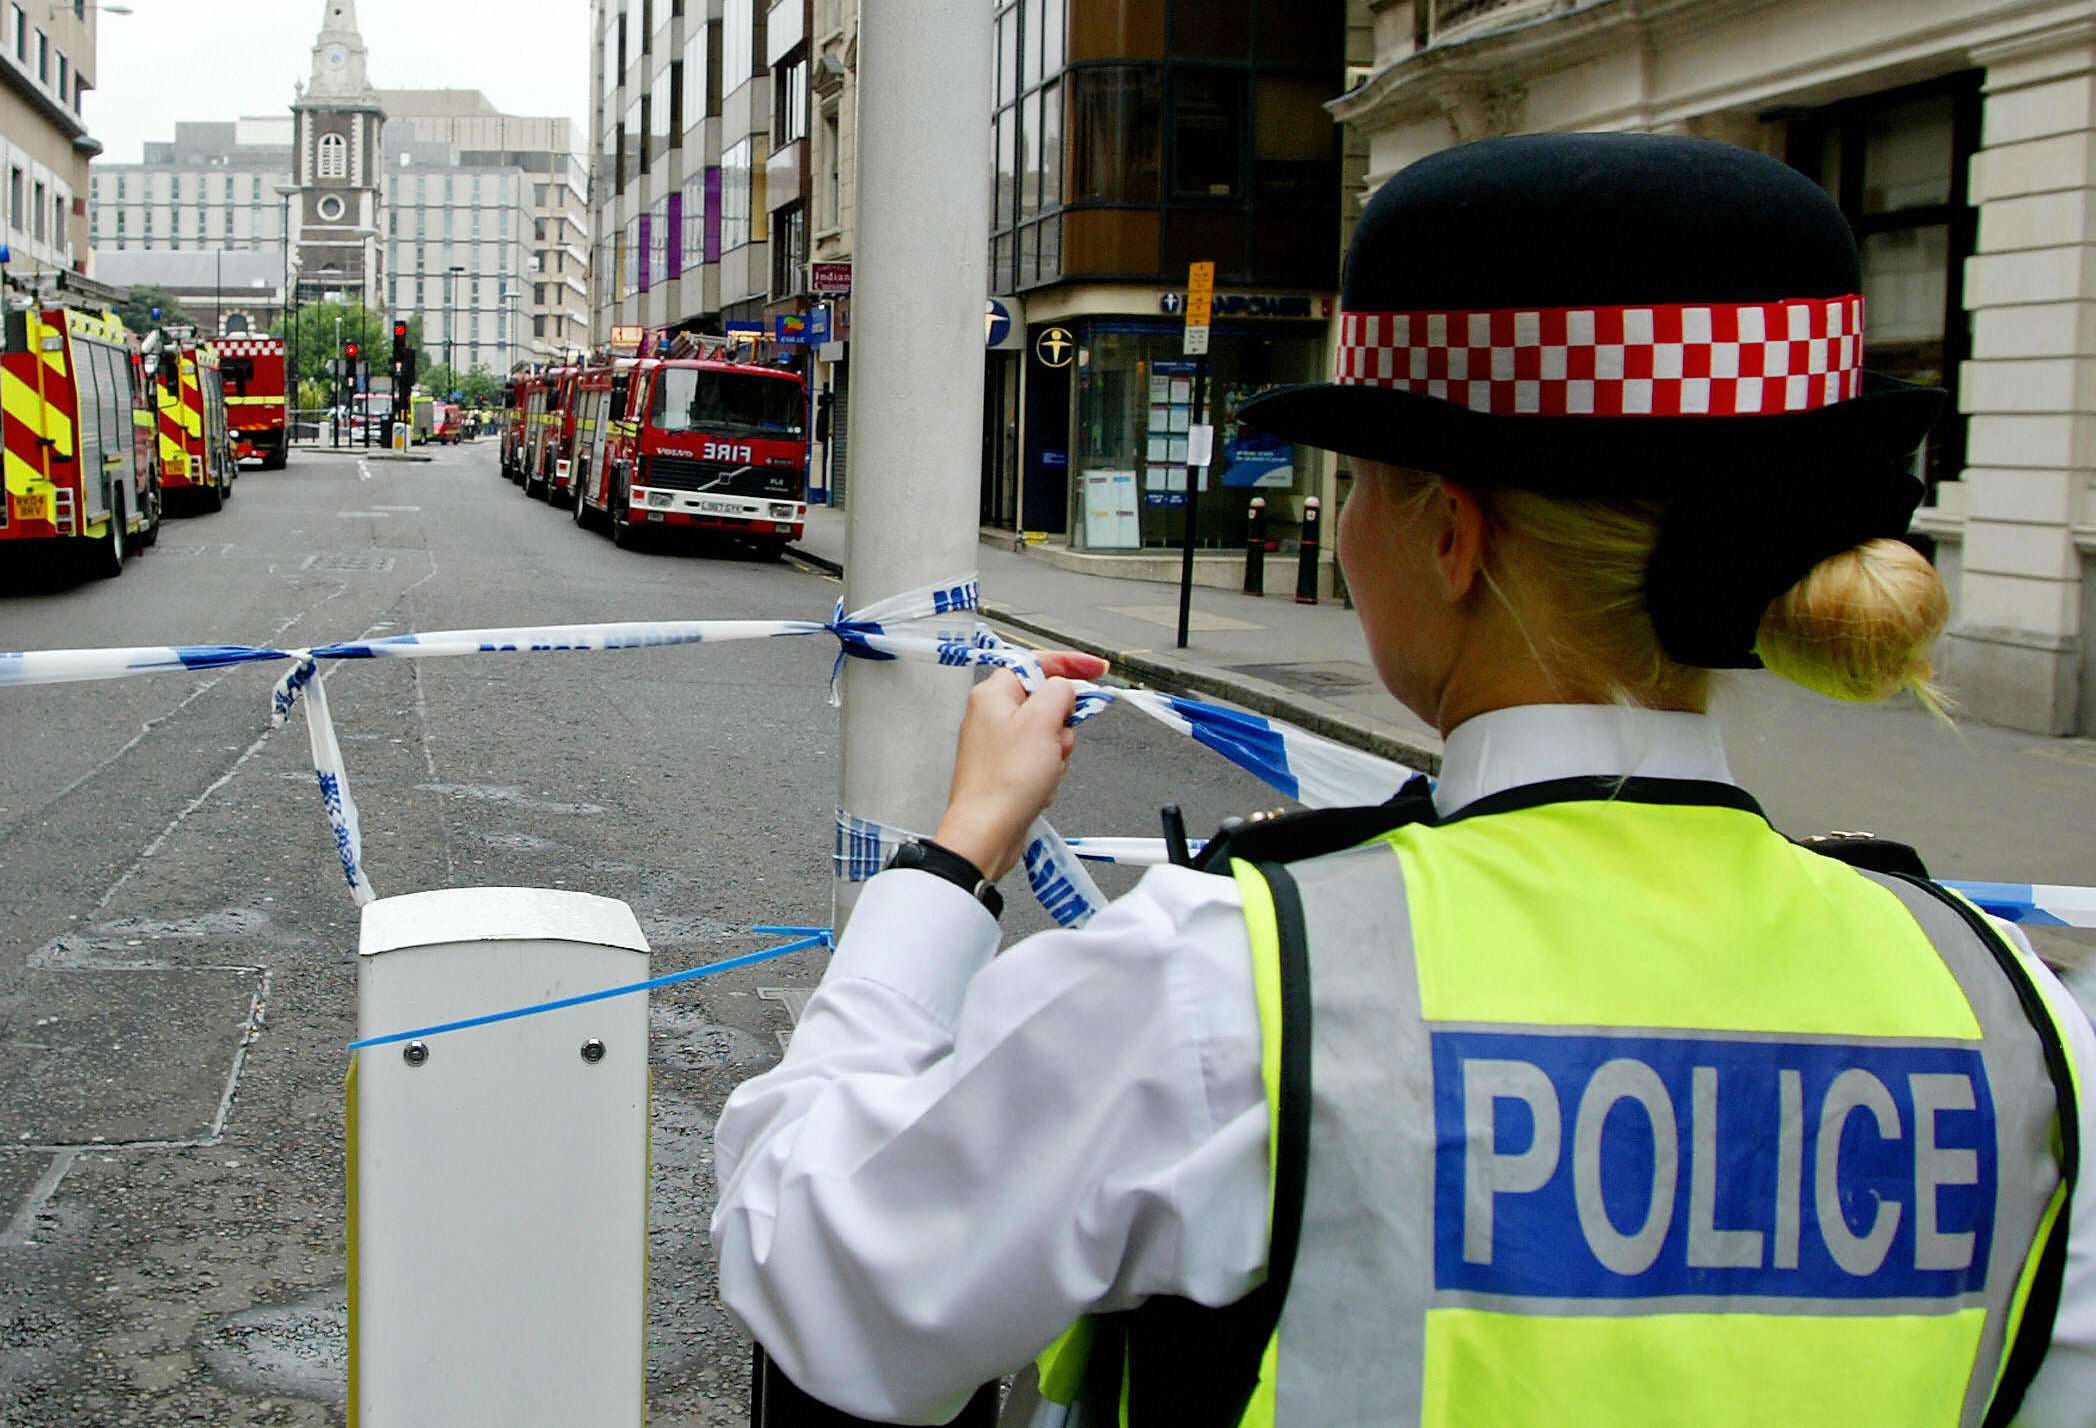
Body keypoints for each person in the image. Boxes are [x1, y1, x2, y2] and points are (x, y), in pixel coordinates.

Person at [711, 134, 2094, 1427]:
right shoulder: (2027, 1026)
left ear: (1452, 535)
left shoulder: (1236, 986)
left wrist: (953, 865)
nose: (1346, 524)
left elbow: (821, 1262)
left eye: (1357, 481)